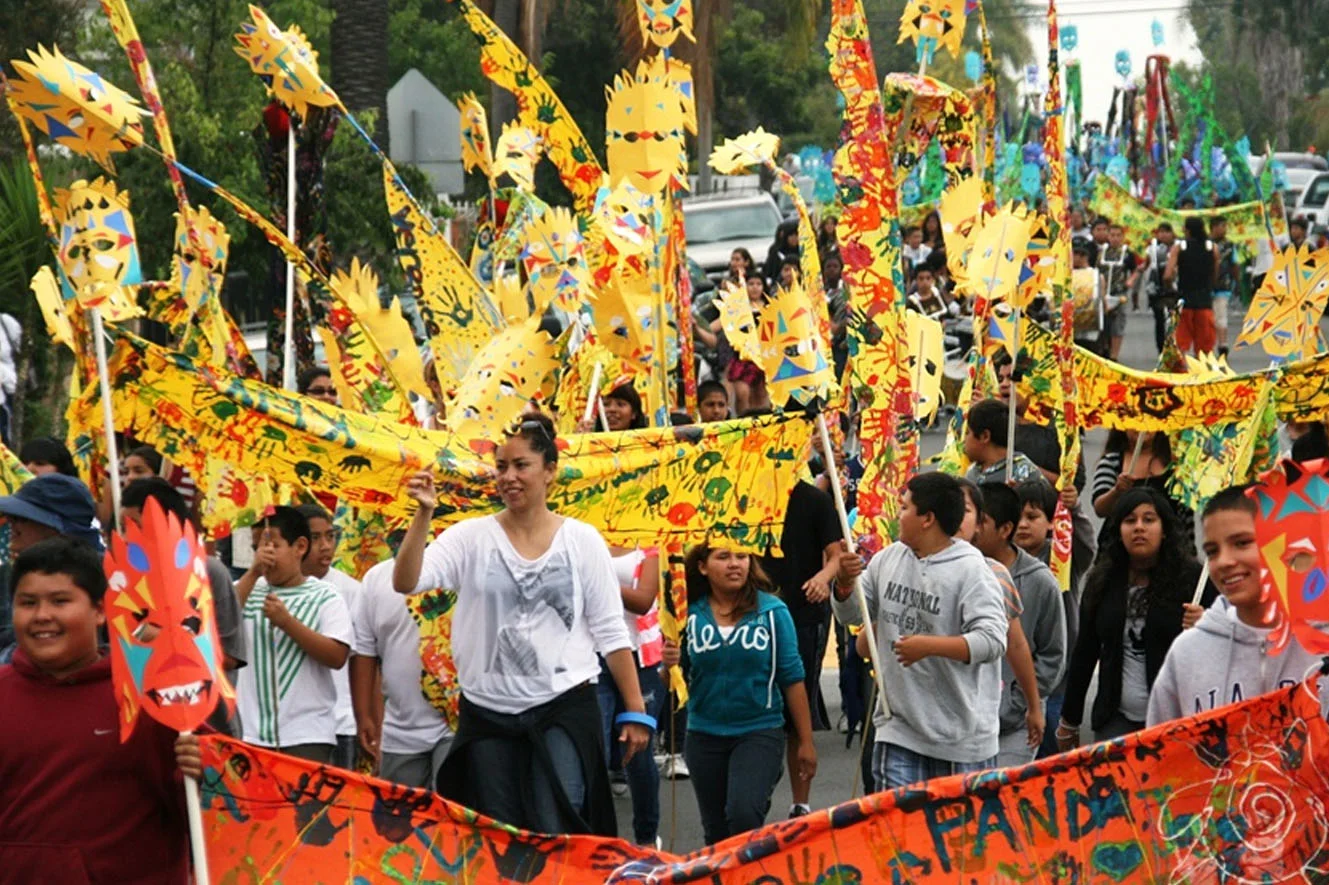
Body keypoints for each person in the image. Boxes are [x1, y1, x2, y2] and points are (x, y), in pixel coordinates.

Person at [392, 412, 650, 836]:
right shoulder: (469, 537)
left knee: (557, 824)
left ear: (550, 471)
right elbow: (406, 581)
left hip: (564, 705)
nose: (509, 477)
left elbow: (610, 629)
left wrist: (636, 710)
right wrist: (423, 515)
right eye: (501, 467)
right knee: (501, 834)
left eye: (521, 465)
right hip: (488, 712)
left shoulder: (582, 541)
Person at [0, 538, 195, 885]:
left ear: (101, 610)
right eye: (28, 603)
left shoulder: (155, 696)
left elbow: (211, 812)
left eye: (60, 601)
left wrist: (205, 771)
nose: (42, 616)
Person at [832, 472, 1008, 790]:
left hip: (963, 741)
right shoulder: (887, 559)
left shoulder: (972, 570)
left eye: (904, 508)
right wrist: (844, 584)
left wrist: (929, 646)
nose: (897, 515)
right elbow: (851, 615)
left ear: (927, 519)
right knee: (899, 821)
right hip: (898, 729)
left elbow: (993, 641)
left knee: (955, 825)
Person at [660, 543, 814, 844]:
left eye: (742, 556)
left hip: (759, 731)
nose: (735, 564)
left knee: (744, 814)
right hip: (703, 735)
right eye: (724, 557)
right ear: (703, 566)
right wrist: (668, 666)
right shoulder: (687, 615)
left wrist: (806, 742)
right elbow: (673, 681)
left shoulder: (773, 612)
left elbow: (793, 678)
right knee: (716, 833)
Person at [1147, 486, 1323, 727]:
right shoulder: (1187, 653)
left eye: (1242, 543)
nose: (1224, 562)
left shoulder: (1320, 643)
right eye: (1212, 551)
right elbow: (1159, 745)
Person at [1057, 488, 1213, 750]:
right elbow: (1085, 653)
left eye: (1148, 519)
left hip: (1175, 720)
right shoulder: (1102, 582)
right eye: (1130, 520)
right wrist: (1069, 721)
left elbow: (1230, 634)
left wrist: (1206, 623)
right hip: (1114, 721)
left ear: (1164, 529)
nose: (1139, 527)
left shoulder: (1194, 580)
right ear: (1119, 530)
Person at [760, 477, 859, 817]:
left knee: (797, 710)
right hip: (752, 613)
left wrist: (822, 578)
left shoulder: (814, 499)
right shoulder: (745, 494)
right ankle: (757, 790)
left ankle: (800, 804)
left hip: (803, 613)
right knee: (761, 705)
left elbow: (836, 555)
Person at [121, 478, 246, 737]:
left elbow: (230, 657)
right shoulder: (123, 583)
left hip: (210, 726)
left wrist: (159, 637)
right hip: (147, 726)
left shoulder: (207, 573)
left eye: (136, 526)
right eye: (124, 528)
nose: (127, 537)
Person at [235, 506, 351, 763]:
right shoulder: (245, 589)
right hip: (250, 734)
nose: (263, 555)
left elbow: (337, 656)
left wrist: (287, 623)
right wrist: (253, 573)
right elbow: (217, 625)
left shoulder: (325, 596)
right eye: (256, 548)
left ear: (300, 546)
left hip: (306, 736)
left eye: (272, 546)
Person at [974, 483, 1066, 767]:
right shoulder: (961, 571)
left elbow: (1052, 654)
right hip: (965, 722)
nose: (972, 528)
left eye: (981, 521)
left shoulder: (1039, 581)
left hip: (1015, 725)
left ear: (1005, 529)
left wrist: (1017, 703)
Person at [350, 558, 453, 789]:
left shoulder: (457, 565)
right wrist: (364, 717)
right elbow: (364, 650)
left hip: (455, 724)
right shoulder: (376, 578)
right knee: (400, 811)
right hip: (400, 729)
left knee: (451, 807)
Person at [597, 545, 666, 847]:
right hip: (593, 656)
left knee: (638, 752)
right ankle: (596, 842)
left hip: (642, 659)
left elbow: (643, 600)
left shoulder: (648, 541)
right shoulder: (582, 534)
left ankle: (647, 840)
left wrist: (595, 582)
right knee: (593, 749)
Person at [0, 473, 103, 663]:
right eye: (28, 603)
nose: (11, 525)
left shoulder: (112, 583)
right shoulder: (13, 572)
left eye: (60, 601)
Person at [296, 503, 362, 768]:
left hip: (341, 722)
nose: (325, 546)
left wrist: (365, 718)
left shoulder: (352, 590)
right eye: (315, 538)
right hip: (294, 726)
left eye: (330, 536)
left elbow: (362, 660)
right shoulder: (271, 590)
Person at [1090, 429, 1194, 553]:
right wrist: (1116, 491)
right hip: (1119, 551)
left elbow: (1187, 514)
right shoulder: (1112, 461)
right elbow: (1100, 508)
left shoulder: (1176, 463)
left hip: (1171, 552)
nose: (1141, 427)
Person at [1164, 216, 1219, 356]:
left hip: (1184, 300)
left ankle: (1181, 367)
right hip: (1204, 301)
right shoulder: (1211, 247)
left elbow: (1167, 275)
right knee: (1205, 345)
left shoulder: (1179, 247)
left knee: (1181, 343)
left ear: (1187, 230)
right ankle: (1202, 367)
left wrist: (1171, 288)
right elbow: (1215, 273)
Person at [963, 399, 1047, 485]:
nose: (964, 440)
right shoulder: (971, 475)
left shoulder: (1027, 479)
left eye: (967, 432)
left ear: (985, 436)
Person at [1099, 224, 1139, 359]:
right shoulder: (1101, 252)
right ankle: (1102, 351)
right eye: (1112, 235)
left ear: (1122, 237)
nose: (1115, 238)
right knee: (1101, 324)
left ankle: (1114, 356)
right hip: (1101, 293)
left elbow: (1135, 270)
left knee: (1118, 325)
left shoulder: (1127, 254)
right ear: (1108, 236)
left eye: (1118, 235)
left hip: (1119, 293)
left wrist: (1131, 280)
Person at [1146, 223, 1179, 353]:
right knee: (1159, 319)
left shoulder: (1179, 247)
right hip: (1156, 288)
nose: (1164, 235)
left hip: (1174, 288)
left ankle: (1173, 346)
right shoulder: (1152, 249)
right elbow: (1147, 264)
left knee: (1174, 319)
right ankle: (1161, 348)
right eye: (1161, 232)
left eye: (1167, 232)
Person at [1210, 216, 1240, 356]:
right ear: (1214, 227)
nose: (1224, 229)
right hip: (1206, 287)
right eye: (1222, 226)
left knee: (1221, 316)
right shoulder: (1206, 244)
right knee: (1208, 318)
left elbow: (1234, 264)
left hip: (1223, 285)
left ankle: (1223, 345)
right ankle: (1209, 345)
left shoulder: (1229, 245)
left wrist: (1237, 281)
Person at [763, 219, 799, 286]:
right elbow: (770, 270)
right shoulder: (776, 250)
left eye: (796, 235)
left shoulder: (802, 250)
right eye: (791, 235)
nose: (794, 238)